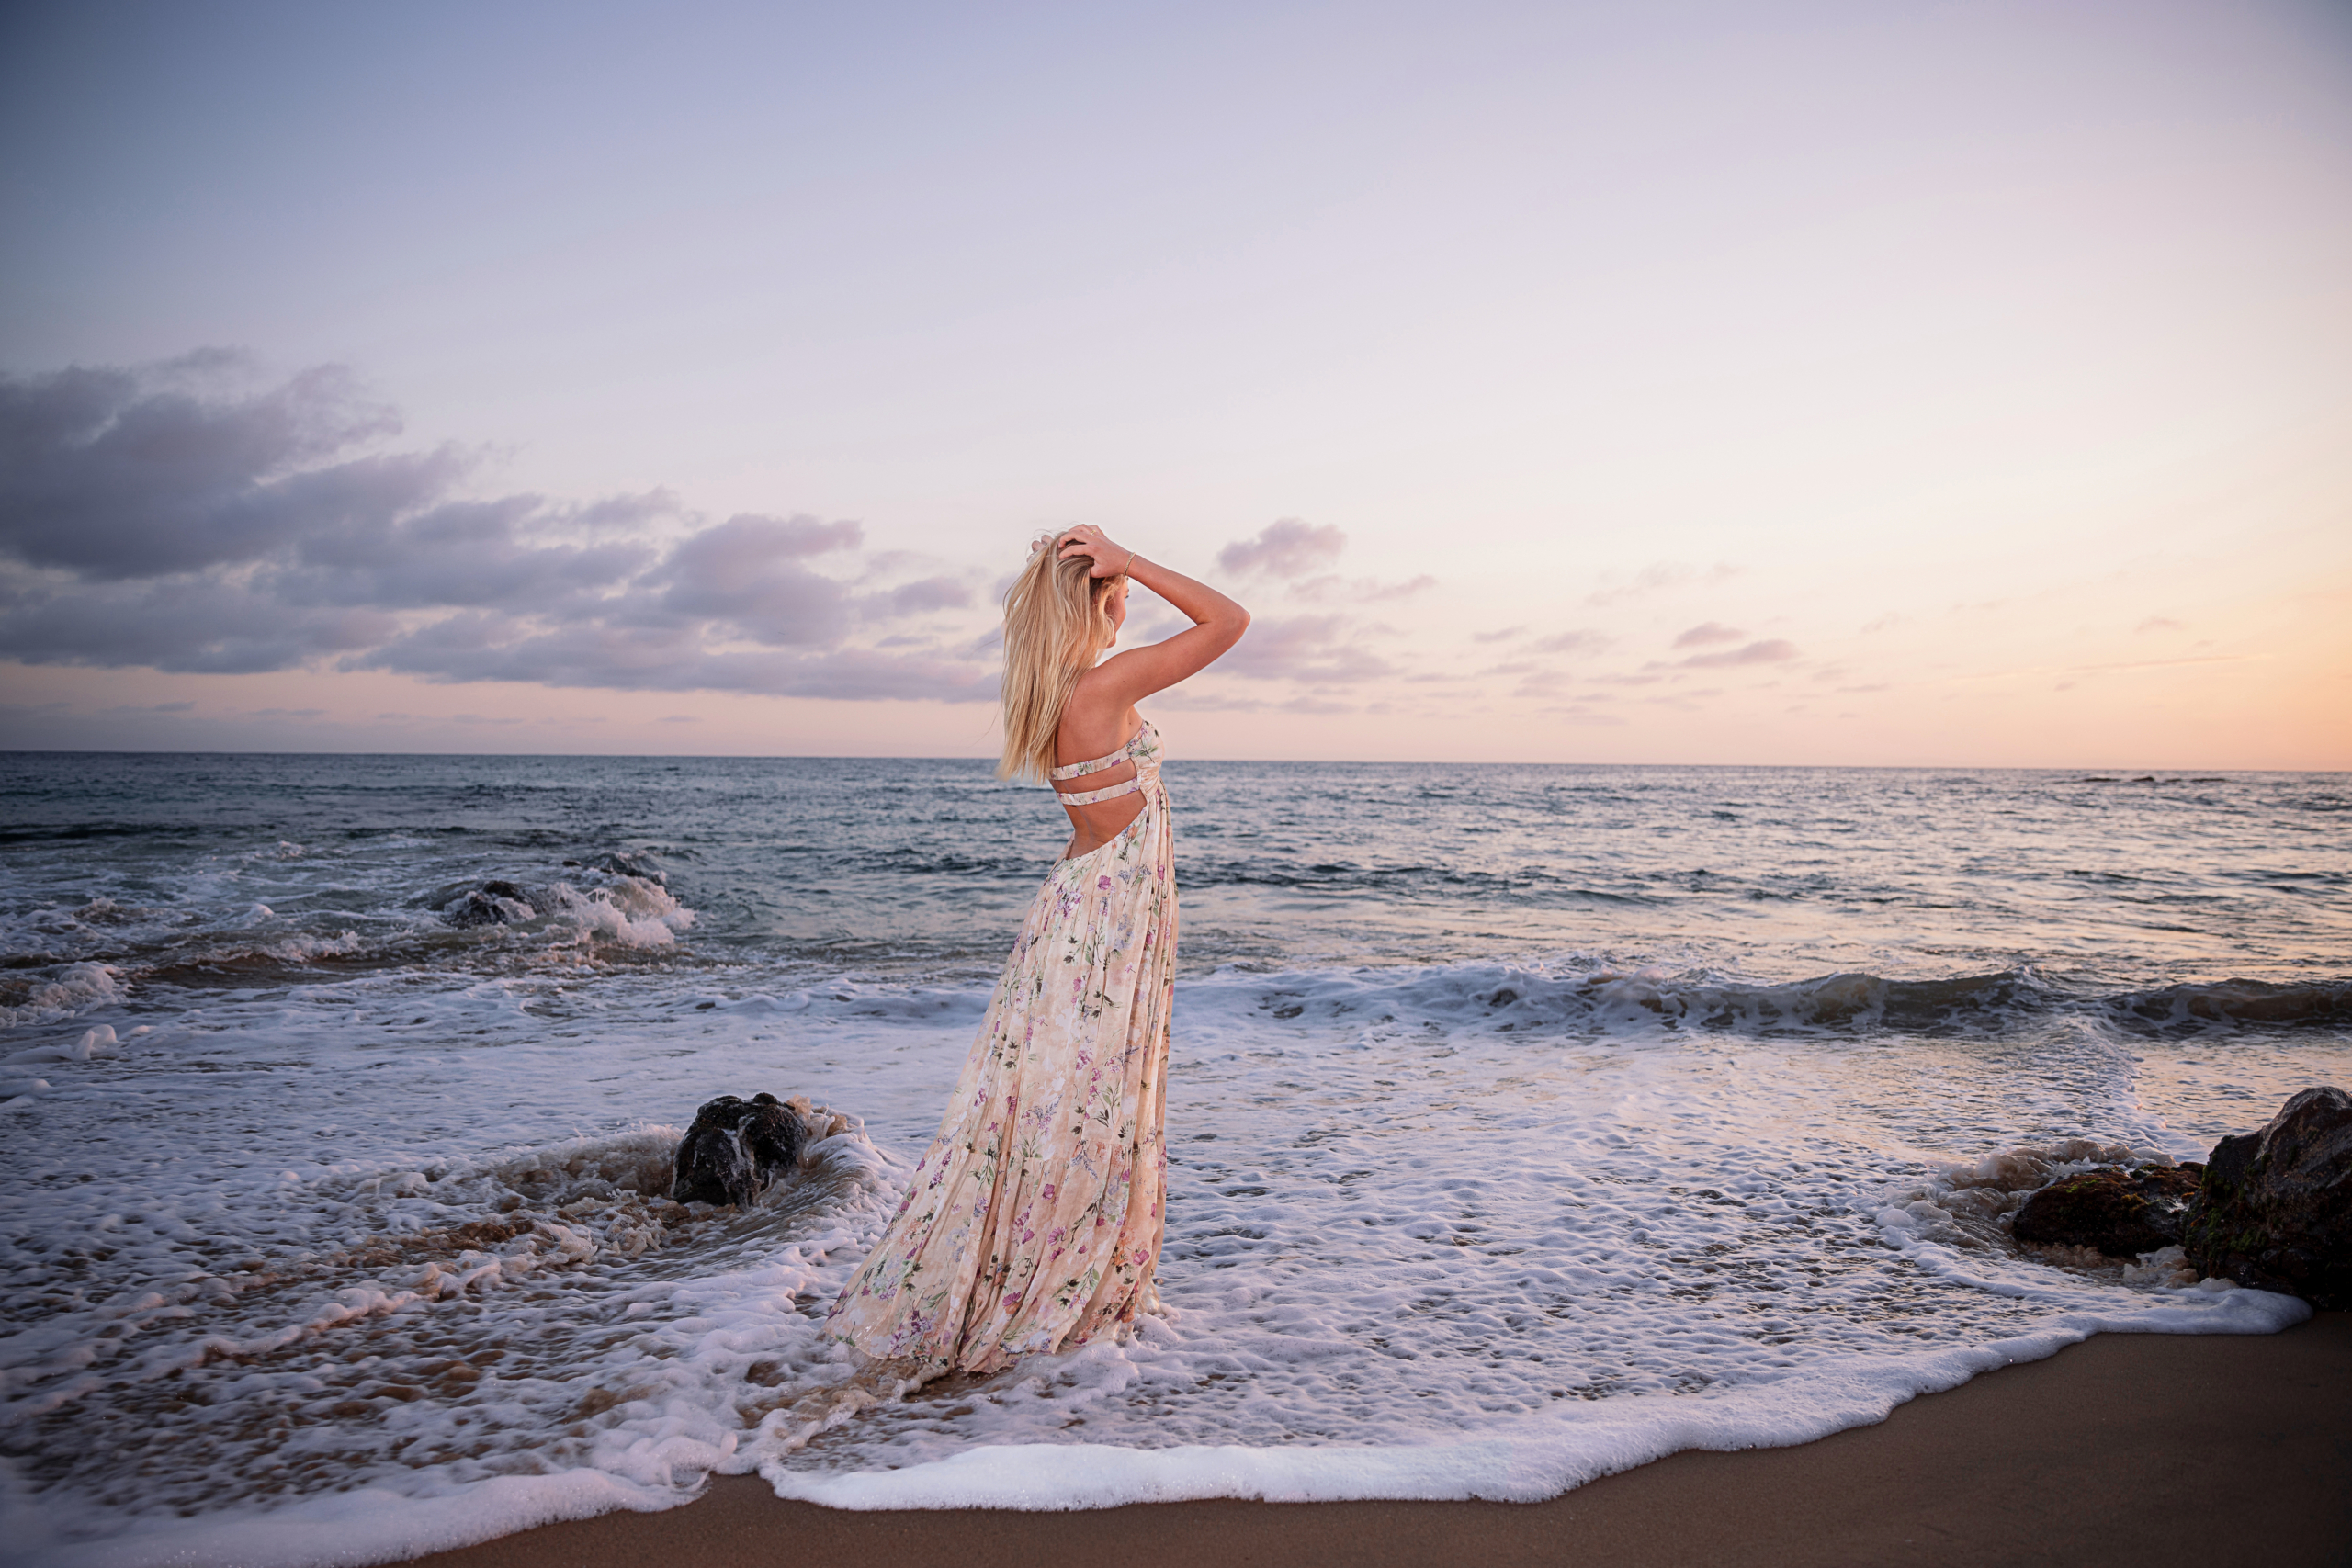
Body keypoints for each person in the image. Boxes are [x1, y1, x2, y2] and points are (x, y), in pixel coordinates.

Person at [822, 525, 1249, 1386]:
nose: (1129, 599)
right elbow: (1229, 619)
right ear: (1099, 598)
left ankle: (1039, 1271)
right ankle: (1056, 1287)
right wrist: (1132, 558)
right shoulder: (1104, 683)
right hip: (1107, 925)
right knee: (1085, 1106)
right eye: (1120, 588)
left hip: (1082, 914)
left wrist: (1117, 567)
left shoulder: (1051, 693)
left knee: (1046, 1105)